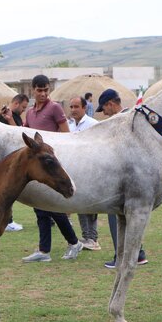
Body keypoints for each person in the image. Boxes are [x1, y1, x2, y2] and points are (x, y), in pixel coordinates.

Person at [21, 75, 82, 262]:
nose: (43, 93)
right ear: (33, 90)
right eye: (39, 90)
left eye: (46, 90)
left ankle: (74, 243)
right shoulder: (30, 113)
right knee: (39, 208)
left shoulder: (54, 108)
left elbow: (67, 135)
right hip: (38, 168)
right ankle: (44, 251)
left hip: (53, 166)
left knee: (54, 208)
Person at [97, 88, 148, 268]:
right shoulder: (133, 117)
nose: (104, 113)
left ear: (111, 104)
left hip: (122, 178)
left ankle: (122, 257)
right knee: (131, 216)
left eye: (104, 109)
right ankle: (138, 253)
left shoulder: (122, 120)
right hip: (132, 176)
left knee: (116, 216)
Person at [69, 96, 101, 251]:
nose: (73, 110)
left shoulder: (93, 124)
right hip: (75, 171)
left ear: (84, 108)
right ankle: (86, 236)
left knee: (91, 206)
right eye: (71, 107)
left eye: (76, 107)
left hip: (91, 171)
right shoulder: (69, 125)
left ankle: (93, 238)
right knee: (80, 204)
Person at [0, 93, 30, 232]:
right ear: (16, 103)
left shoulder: (14, 116)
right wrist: (9, 119)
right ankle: (7, 221)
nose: (24, 110)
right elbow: (18, 134)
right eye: (23, 107)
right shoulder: (6, 117)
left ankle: (7, 220)